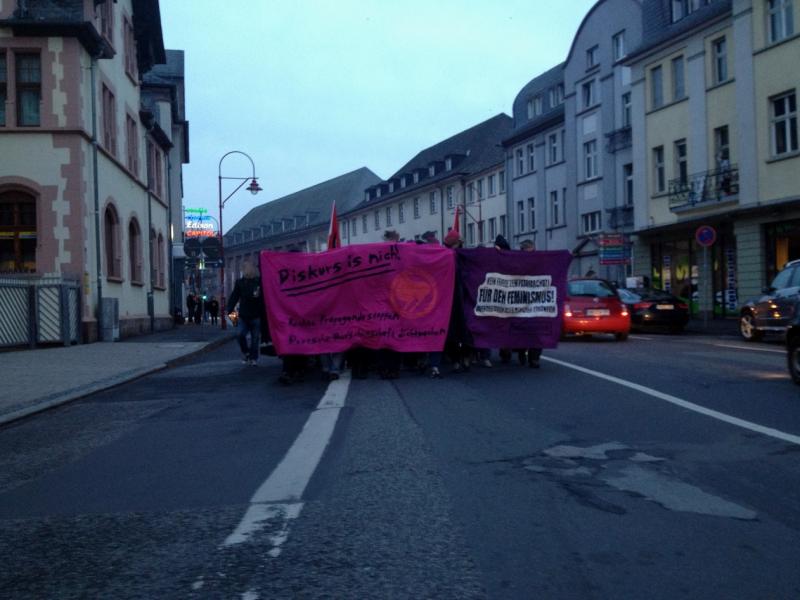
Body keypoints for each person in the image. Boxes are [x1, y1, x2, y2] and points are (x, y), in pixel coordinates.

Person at [226, 260, 263, 365]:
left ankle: (253, 358)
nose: (247, 271)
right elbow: (234, 296)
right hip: (243, 315)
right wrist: (230, 310)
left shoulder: (259, 281)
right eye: (245, 268)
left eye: (248, 268)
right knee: (239, 335)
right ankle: (246, 353)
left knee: (255, 339)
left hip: (256, 315)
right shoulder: (240, 282)